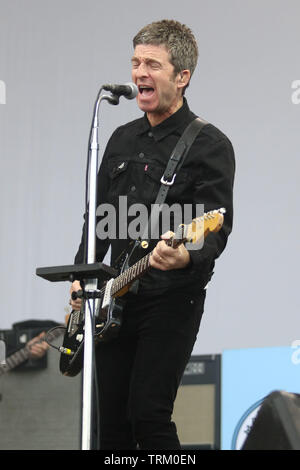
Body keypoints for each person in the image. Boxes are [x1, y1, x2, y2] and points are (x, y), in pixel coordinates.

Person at [70, 19, 235, 450]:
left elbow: (216, 225)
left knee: (149, 414)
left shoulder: (209, 144)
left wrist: (185, 255)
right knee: (110, 427)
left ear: (182, 77)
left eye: (153, 64)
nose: (139, 72)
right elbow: (100, 219)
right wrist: (80, 275)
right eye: (136, 62)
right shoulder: (121, 139)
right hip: (114, 301)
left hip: (171, 299)